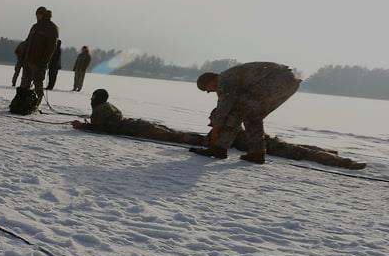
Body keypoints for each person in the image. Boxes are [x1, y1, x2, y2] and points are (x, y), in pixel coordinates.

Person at [74, 89, 365, 169]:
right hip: (254, 140)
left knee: (295, 152)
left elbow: (104, 130)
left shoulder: (231, 131)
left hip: (253, 142)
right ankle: (328, 152)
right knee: (292, 148)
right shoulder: (231, 127)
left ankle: (339, 160)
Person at [190, 62, 301, 164]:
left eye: (206, 89)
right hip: (291, 81)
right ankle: (256, 154)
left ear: (211, 81)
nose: (209, 92)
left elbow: (224, 107)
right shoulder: (229, 77)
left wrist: (216, 128)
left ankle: (219, 149)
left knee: (238, 109)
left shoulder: (224, 80)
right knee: (252, 116)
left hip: (277, 80)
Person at [72, 89, 202, 144]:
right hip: (134, 124)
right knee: (169, 131)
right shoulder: (107, 105)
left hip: (134, 128)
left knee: (171, 136)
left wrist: (82, 125)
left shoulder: (100, 109)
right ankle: (203, 138)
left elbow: (98, 128)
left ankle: (202, 141)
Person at [18, 7, 59, 99]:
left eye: (39, 14)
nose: (37, 16)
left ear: (44, 15)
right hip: (28, 61)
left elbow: (51, 48)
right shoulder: (35, 27)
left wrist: (44, 61)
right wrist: (22, 55)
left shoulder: (51, 28)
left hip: (39, 63)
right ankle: (21, 102)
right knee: (24, 84)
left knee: (38, 85)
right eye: (37, 14)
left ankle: (37, 103)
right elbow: (28, 42)